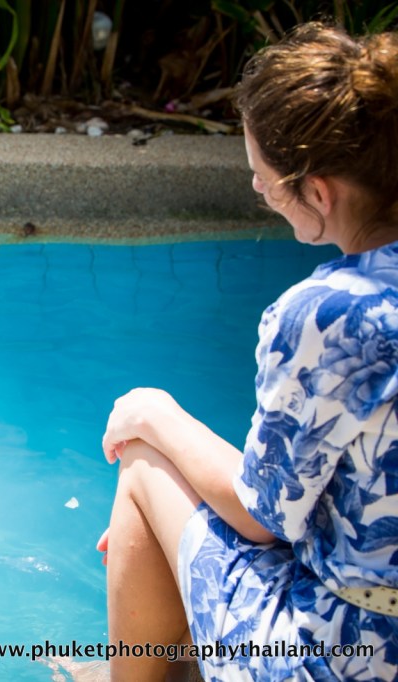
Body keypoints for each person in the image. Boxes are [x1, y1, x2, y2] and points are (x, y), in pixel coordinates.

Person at [94, 23, 397, 681]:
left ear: (318, 192)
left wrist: (153, 413)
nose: (257, 190)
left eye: (261, 176)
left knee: (147, 463)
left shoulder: (333, 313)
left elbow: (263, 518)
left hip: (355, 655)